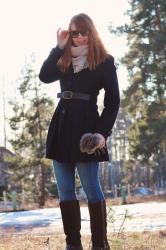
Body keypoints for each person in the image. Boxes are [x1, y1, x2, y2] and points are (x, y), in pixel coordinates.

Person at [39, 13, 120, 250]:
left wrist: (101, 135)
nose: (80, 37)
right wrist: (58, 47)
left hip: (87, 132)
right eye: (75, 33)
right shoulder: (63, 58)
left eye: (84, 32)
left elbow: (113, 101)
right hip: (61, 128)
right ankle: (73, 244)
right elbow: (44, 77)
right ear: (70, 34)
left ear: (91, 33)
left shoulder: (104, 61)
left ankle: (99, 244)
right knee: (65, 191)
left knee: (92, 189)